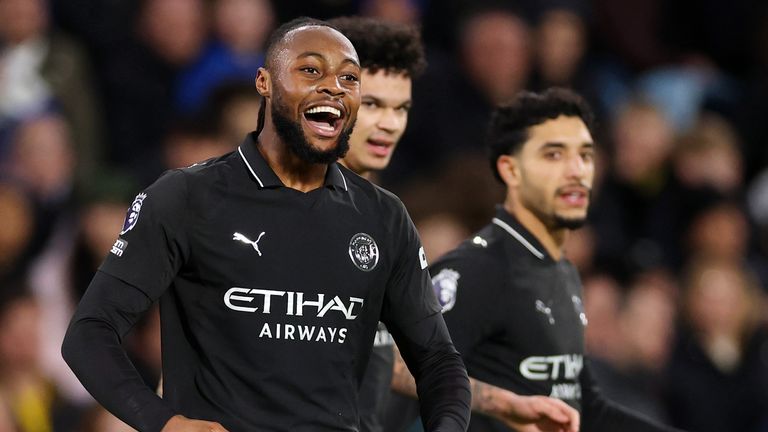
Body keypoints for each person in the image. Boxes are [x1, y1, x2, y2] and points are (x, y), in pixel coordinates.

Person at [61, 17, 471, 432]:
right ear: (264, 82)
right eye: (310, 69)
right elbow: (89, 334)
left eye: (349, 77)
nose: (333, 86)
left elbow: (438, 360)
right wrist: (165, 423)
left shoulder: (384, 216)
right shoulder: (186, 197)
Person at [330, 17, 580, 432]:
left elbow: (381, 355)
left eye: (401, 108)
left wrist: (501, 402)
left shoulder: (387, 220)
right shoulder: (271, 211)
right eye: (373, 104)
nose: (390, 124)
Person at [426, 88, 684, 432]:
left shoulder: (562, 274)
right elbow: (407, 377)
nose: (577, 171)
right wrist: (502, 404)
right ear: (511, 171)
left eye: (585, 155)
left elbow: (587, 406)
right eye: (554, 155)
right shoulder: (473, 271)